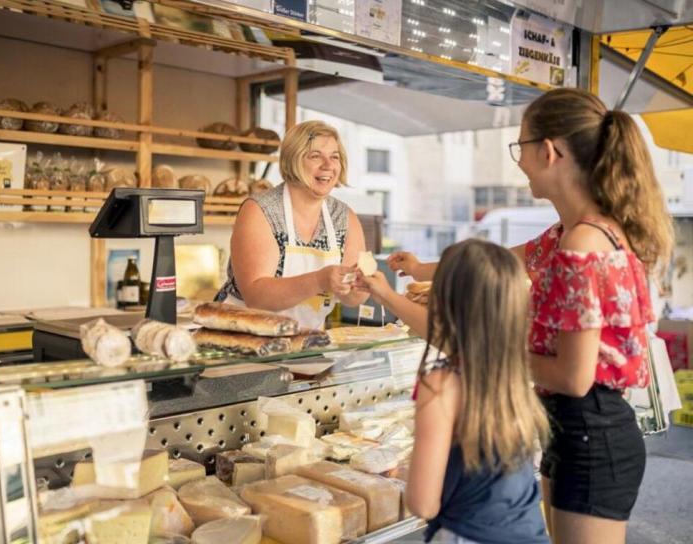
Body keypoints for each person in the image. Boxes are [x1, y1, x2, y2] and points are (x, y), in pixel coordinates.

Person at [385, 88, 674, 544]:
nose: (518, 161)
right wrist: (420, 269)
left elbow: (575, 377)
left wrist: (486, 352)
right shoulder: (571, 234)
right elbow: (497, 259)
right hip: (569, 428)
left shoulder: (582, 244)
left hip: (591, 433)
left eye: (520, 147)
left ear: (549, 151)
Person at [358, 239, 550, 544]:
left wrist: (397, 474)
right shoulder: (513, 374)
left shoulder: (441, 385)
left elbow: (423, 503)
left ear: (442, 301)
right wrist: (385, 293)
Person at [215, 120, 369, 329]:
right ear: (293, 160)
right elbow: (257, 297)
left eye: (335, 157)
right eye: (316, 156)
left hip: (304, 342)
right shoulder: (262, 210)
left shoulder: (343, 217)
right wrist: (320, 281)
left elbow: (353, 298)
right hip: (241, 338)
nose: (328, 165)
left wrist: (362, 285)